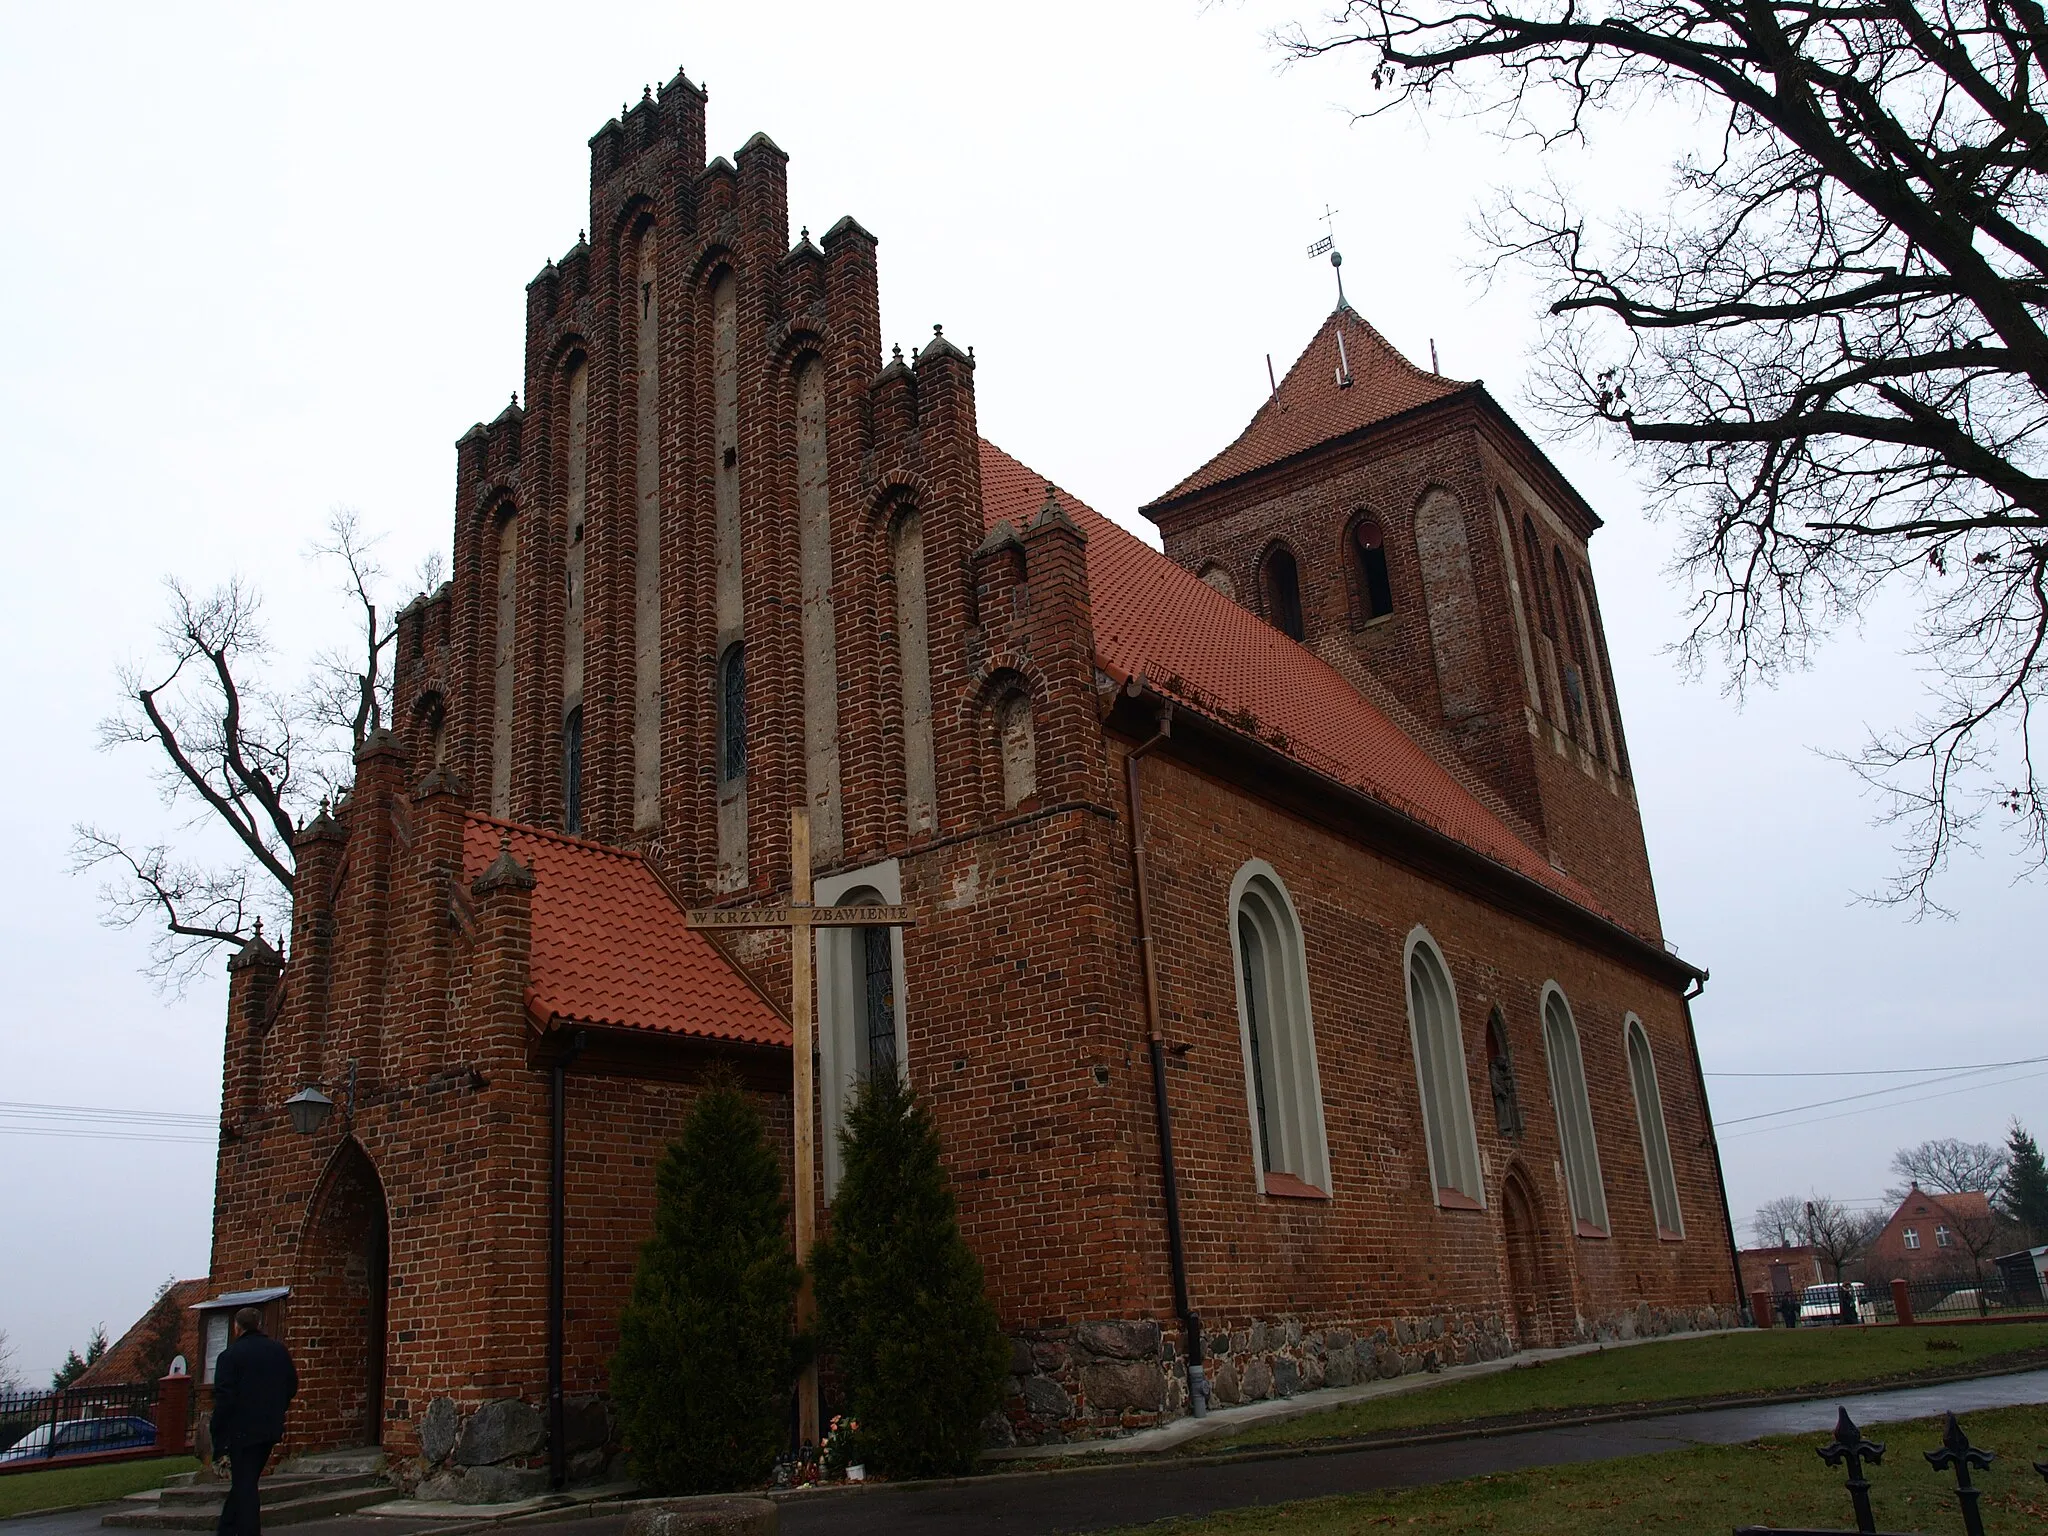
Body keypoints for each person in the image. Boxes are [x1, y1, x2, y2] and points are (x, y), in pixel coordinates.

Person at [209, 1308, 298, 1536]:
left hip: (240, 1430)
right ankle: (227, 1528)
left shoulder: (230, 1356)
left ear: (237, 1327)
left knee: (245, 1484)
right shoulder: (278, 1351)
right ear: (259, 1324)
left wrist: (218, 1434)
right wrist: (277, 1409)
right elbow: (291, 1385)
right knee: (245, 1480)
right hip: (269, 1427)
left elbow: (225, 1399)